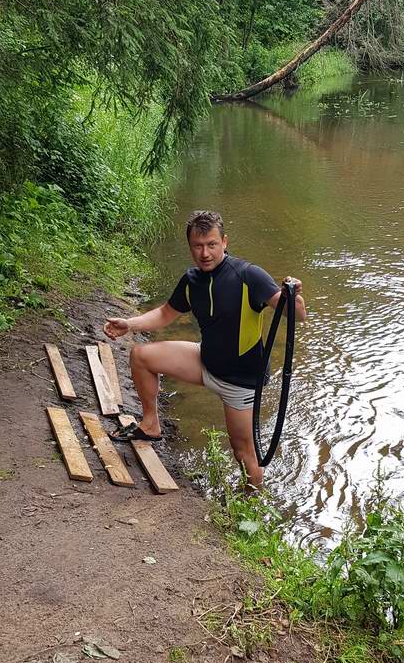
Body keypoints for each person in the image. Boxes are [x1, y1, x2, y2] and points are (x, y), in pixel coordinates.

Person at [103, 209, 306, 488]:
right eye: (198, 246)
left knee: (243, 452)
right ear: (190, 247)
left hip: (241, 381)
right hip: (206, 360)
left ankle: (250, 510)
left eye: (211, 244)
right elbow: (165, 313)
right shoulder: (192, 280)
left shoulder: (249, 276)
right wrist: (130, 323)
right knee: (141, 356)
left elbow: (297, 315)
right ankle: (150, 424)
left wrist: (293, 295)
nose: (205, 253)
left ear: (224, 242)